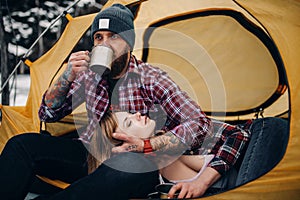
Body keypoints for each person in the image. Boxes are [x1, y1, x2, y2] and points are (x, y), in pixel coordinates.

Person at [0, 3, 252, 199]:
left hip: (133, 163)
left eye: (113, 37)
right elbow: (47, 114)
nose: (104, 44)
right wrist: (66, 77)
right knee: (22, 145)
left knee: (128, 167)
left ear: (128, 43)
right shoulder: (89, 75)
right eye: (99, 38)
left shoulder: (151, 78)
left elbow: (196, 123)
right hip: (91, 155)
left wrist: (149, 144)